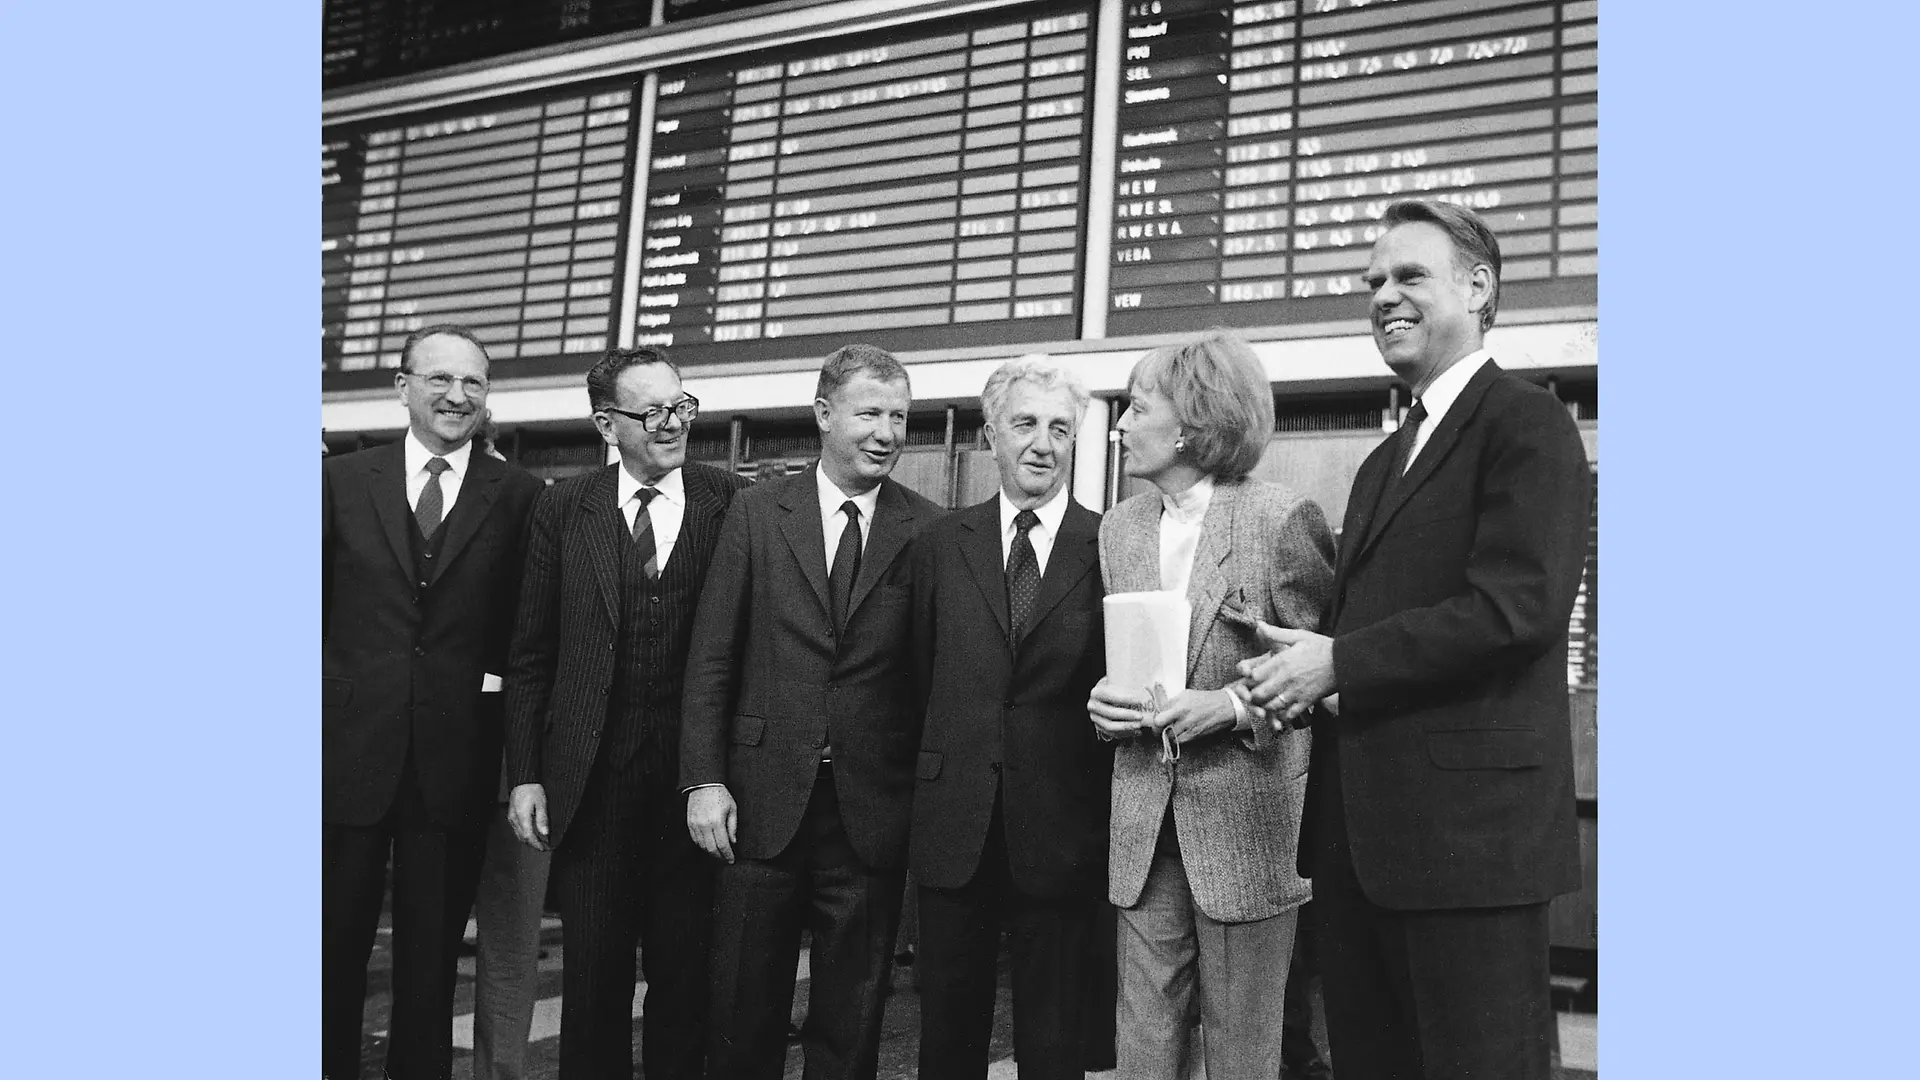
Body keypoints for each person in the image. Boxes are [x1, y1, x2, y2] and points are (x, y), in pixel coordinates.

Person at [1241, 199, 1591, 1080]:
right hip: (1364, 849)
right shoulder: (1380, 463)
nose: (1383, 297)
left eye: (1408, 276)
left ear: (1478, 288)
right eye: (1373, 283)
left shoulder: (1526, 423)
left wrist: (1341, 660)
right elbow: (1388, 622)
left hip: (1471, 850)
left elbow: (1519, 607)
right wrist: (1308, 656)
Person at [680, 343, 941, 1080]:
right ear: (824, 415)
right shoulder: (756, 512)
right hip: (758, 805)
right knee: (740, 1010)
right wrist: (703, 778)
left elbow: (931, 681)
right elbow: (712, 657)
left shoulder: (929, 530)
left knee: (851, 1022)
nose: (887, 432)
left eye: (898, 416)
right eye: (870, 413)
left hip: (870, 815)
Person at [1085, 329, 1336, 1080]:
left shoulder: (1281, 521)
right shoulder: (1119, 527)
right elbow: (1126, 665)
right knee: (1143, 1050)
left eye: (1135, 407)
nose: (1122, 425)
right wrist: (1104, 706)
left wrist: (1228, 705)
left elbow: (1314, 678)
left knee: (1242, 1056)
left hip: (1246, 829)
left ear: (1191, 422)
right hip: (1141, 826)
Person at [500, 346, 750, 1080]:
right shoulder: (562, 507)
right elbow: (530, 654)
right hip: (591, 785)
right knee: (593, 984)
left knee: (684, 981)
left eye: (682, 407)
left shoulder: (731, 502)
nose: (673, 424)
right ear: (607, 423)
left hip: (695, 788)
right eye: (653, 413)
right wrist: (526, 774)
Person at [322, 324, 543, 1080]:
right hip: (343, 757)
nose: (457, 396)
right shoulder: (339, 482)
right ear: (402, 386)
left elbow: (524, 635)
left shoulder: (520, 498)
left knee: (429, 967)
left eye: (474, 383)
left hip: (456, 763)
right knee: (328, 956)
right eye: (440, 379)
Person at [907, 357, 1112, 1080]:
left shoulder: (1111, 545)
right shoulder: (937, 546)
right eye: (1025, 424)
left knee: (1054, 1047)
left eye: (1061, 428)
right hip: (953, 823)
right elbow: (918, 681)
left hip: (1061, 830)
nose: (1043, 444)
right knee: (946, 1040)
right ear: (992, 433)